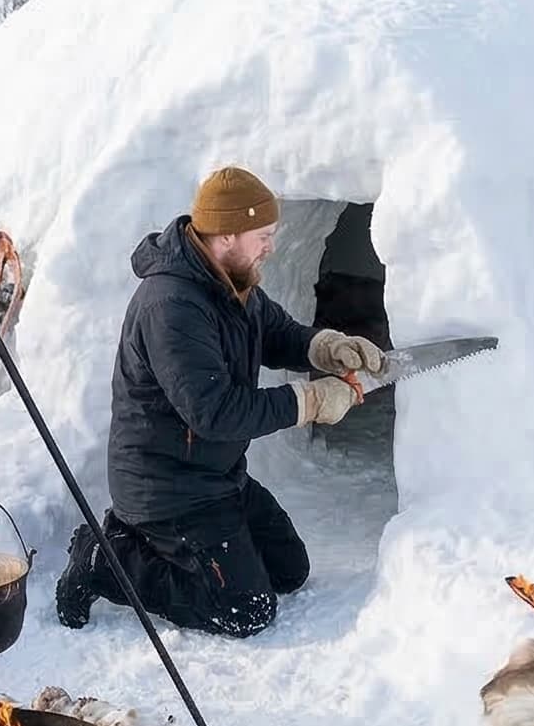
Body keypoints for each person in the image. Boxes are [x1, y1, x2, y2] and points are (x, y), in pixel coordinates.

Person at [54, 167, 383, 638]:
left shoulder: (232, 279)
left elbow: (277, 333)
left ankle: (160, 546)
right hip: (167, 489)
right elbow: (215, 413)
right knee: (246, 609)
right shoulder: (171, 306)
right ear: (227, 235)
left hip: (217, 477)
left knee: (289, 570)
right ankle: (107, 559)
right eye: (263, 235)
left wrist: (325, 347)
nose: (271, 245)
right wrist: (308, 401)